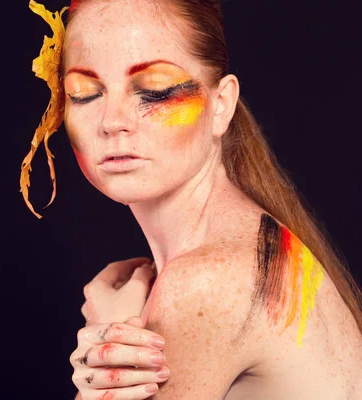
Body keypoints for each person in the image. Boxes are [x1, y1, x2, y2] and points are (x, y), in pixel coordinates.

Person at [21, 0, 362, 398]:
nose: (111, 121)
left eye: (154, 90)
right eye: (84, 93)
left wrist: (109, 342)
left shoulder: (203, 284)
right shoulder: (243, 247)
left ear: (222, 105)